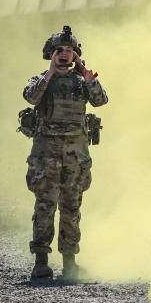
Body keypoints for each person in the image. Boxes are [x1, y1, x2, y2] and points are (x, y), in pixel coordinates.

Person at [23, 26, 108, 280]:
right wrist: (49, 73)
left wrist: (88, 76)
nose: (64, 54)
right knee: (45, 205)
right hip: (46, 153)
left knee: (71, 207)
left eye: (69, 50)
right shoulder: (40, 80)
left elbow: (101, 100)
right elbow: (31, 98)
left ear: (75, 55)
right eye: (59, 50)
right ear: (51, 54)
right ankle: (41, 262)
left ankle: (70, 263)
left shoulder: (82, 82)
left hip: (75, 154)